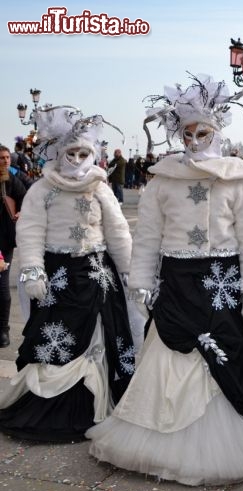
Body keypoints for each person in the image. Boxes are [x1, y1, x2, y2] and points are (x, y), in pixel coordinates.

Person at [86, 74, 243, 485]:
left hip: (221, 278)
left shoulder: (237, 179)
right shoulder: (163, 179)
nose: (196, 138)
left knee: (224, 349)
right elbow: (148, 236)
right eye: (188, 132)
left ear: (217, 131)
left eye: (203, 131)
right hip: (178, 280)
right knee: (169, 350)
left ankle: (230, 433)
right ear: (179, 134)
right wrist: (141, 280)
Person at [0, 108, 136, 441]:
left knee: (101, 334)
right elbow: (31, 231)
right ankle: (54, 403)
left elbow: (118, 232)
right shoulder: (43, 189)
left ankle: (97, 401)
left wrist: (132, 271)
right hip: (57, 275)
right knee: (54, 336)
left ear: (94, 154)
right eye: (70, 153)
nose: (76, 159)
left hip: (96, 275)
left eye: (83, 153)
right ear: (59, 154)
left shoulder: (101, 188)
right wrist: (32, 270)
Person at [0, 146, 26, 348]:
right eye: (1, 158)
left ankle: (3, 330)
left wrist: (21, 212)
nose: (6, 161)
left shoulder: (13, 180)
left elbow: (28, 196)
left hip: (4, 241)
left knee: (2, 285)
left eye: (7, 157)